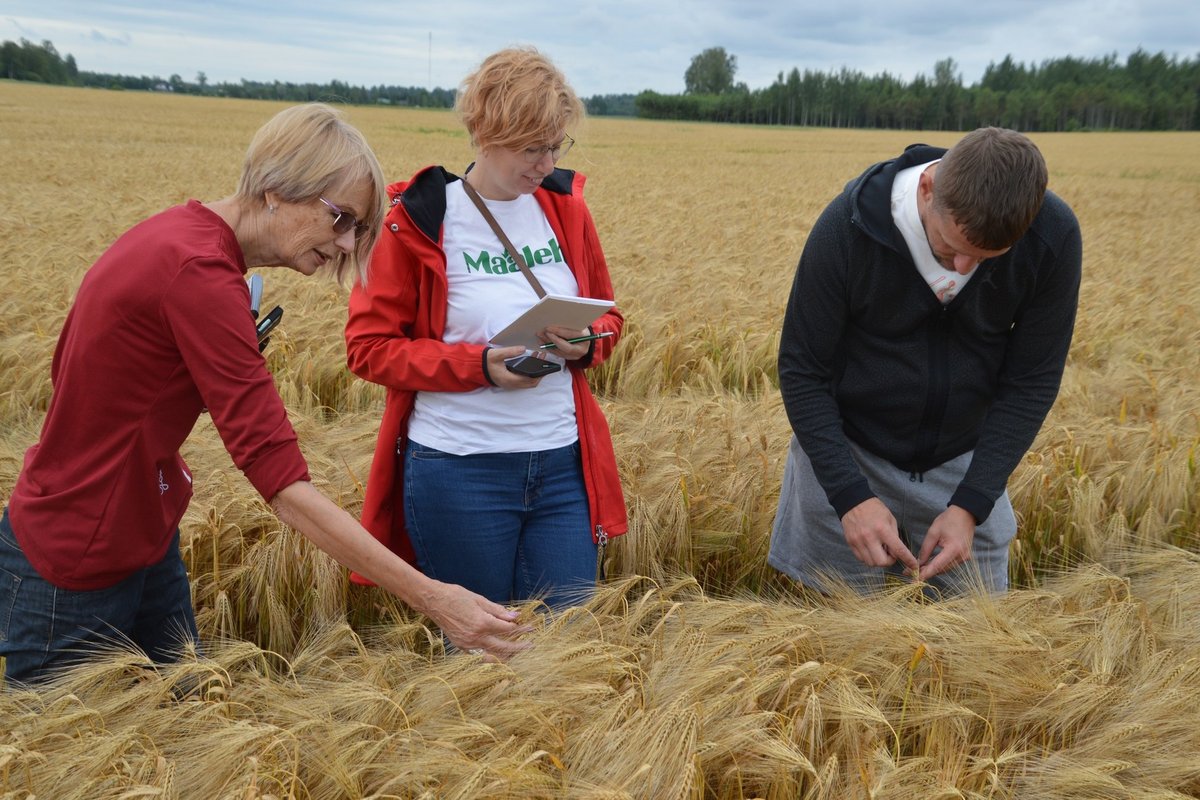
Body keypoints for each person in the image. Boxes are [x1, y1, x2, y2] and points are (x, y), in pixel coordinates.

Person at [0, 103, 527, 687]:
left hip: (140, 532)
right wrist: (433, 599)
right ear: (277, 188)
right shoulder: (198, 274)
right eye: (341, 218)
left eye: (360, 228)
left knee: (179, 734)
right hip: (77, 558)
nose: (349, 244)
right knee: (68, 765)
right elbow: (280, 483)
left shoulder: (184, 236)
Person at [345, 47, 626, 610]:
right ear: (486, 132)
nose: (546, 163)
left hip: (562, 466)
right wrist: (480, 366)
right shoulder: (417, 219)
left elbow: (609, 316)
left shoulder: (566, 210)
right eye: (532, 147)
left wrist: (586, 341)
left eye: (555, 145)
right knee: (483, 655)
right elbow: (368, 349)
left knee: (567, 650)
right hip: (459, 472)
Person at [769, 127, 1082, 596]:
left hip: (965, 456)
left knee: (972, 647)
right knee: (826, 644)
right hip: (848, 450)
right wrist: (850, 496)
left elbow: (1031, 381)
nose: (962, 270)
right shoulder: (848, 225)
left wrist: (972, 505)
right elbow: (801, 369)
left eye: (985, 258)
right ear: (927, 187)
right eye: (951, 247)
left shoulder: (1053, 236)